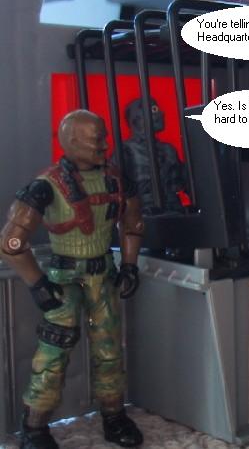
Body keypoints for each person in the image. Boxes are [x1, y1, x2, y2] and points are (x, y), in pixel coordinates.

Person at [0, 110, 145, 449]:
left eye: (104, 137)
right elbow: (11, 243)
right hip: (63, 279)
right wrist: (37, 283)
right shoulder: (45, 187)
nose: (105, 145)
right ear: (73, 141)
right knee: (53, 351)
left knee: (110, 349)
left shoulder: (117, 180)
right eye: (97, 140)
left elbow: (133, 224)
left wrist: (129, 266)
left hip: (103, 274)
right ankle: (35, 426)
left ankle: (113, 415)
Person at [115, 97, 187, 214]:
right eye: (154, 110)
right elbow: (116, 187)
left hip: (175, 212)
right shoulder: (126, 150)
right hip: (144, 215)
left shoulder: (168, 150)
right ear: (136, 120)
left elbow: (183, 183)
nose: (161, 113)